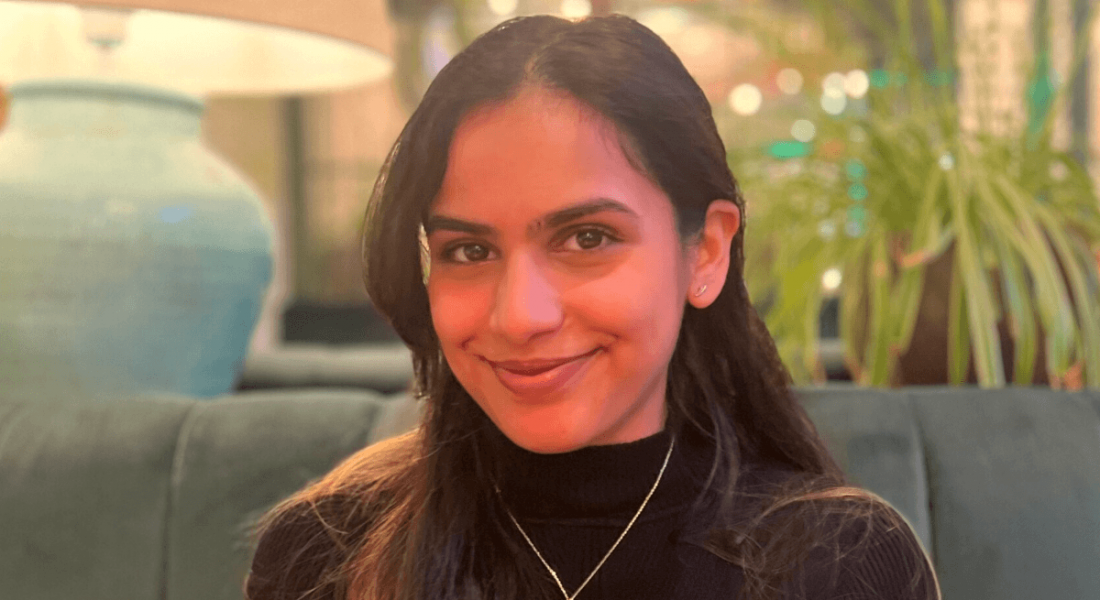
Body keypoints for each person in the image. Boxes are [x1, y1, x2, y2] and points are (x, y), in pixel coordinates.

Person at [245, 13, 940, 600]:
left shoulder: (838, 564)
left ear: (705, 254)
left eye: (587, 238)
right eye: (468, 251)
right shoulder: (327, 554)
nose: (520, 316)